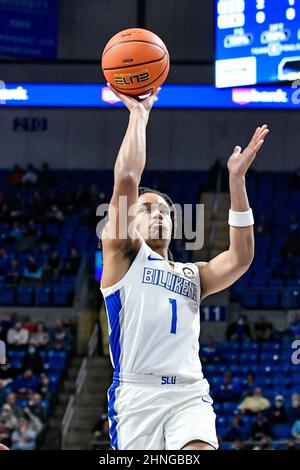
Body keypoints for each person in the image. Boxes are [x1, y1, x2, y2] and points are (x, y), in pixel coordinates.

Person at [100, 82, 269, 450]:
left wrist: (237, 181)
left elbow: (241, 257)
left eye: (163, 210)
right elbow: (127, 179)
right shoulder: (122, 257)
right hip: (137, 394)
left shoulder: (194, 275)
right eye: (146, 209)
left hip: (189, 393)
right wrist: (139, 116)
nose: (157, 214)